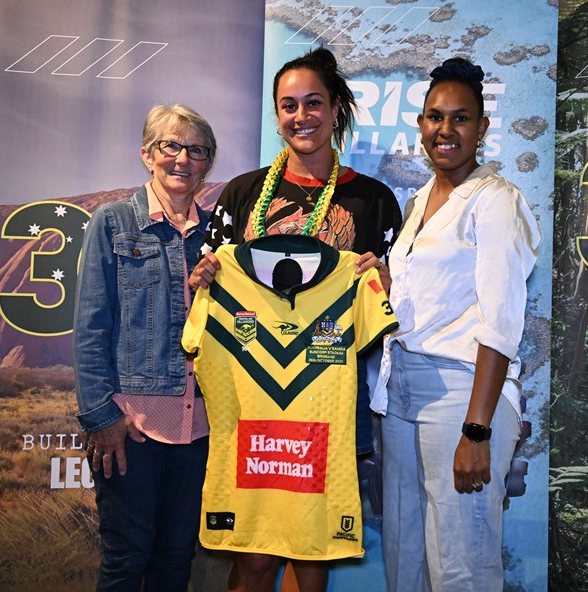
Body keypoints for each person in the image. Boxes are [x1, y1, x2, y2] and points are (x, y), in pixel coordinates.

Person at [188, 47, 401, 592]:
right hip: (255, 395)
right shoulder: (240, 195)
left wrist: (384, 280)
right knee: (255, 555)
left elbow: (391, 302)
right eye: (288, 106)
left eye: (313, 103)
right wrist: (205, 278)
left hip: (328, 395)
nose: (301, 116)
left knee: (311, 553)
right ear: (276, 115)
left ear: (336, 110)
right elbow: (209, 289)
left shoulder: (373, 201)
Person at [371, 57, 541, 591]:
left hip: (462, 397)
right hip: (401, 395)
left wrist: (477, 430)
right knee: (406, 557)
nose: (446, 130)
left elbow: (500, 324)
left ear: (483, 128)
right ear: (421, 124)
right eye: (434, 117)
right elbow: (431, 297)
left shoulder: (496, 202)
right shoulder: (422, 199)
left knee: (461, 566)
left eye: (460, 118)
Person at [73, 104, 216, 591]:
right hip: (132, 427)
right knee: (126, 559)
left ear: (207, 164)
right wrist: (101, 417)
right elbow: (91, 327)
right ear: (147, 155)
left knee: (176, 560)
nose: (183, 159)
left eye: (196, 150)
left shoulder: (217, 235)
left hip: (200, 431)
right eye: (170, 146)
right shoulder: (112, 223)